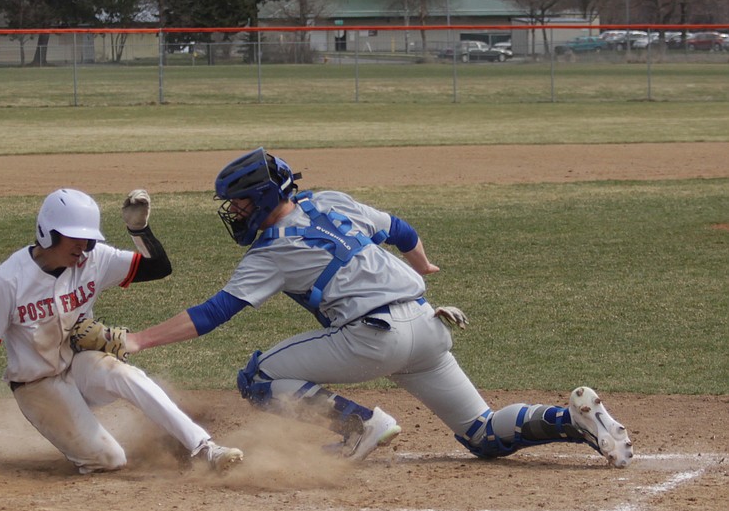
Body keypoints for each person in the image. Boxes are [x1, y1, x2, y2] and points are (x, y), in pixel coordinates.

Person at [76, 147, 633, 468]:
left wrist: (136, 340)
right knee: (482, 435)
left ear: (266, 199)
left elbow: (214, 312)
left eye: (241, 201)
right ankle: (573, 419)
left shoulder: (272, 251)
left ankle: (362, 426)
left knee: (257, 376)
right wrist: (424, 267)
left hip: (375, 337)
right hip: (430, 326)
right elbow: (402, 229)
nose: (236, 211)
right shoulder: (331, 202)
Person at [0, 188, 244, 474]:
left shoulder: (94, 260)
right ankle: (84, 445)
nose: (83, 247)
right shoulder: (8, 280)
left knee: (126, 374)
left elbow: (159, 268)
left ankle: (206, 449)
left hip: (80, 365)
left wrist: (139, 231)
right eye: (75, 238)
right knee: (110, 460)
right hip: (37, 385)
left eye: (88, 239)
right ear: (49, 234)